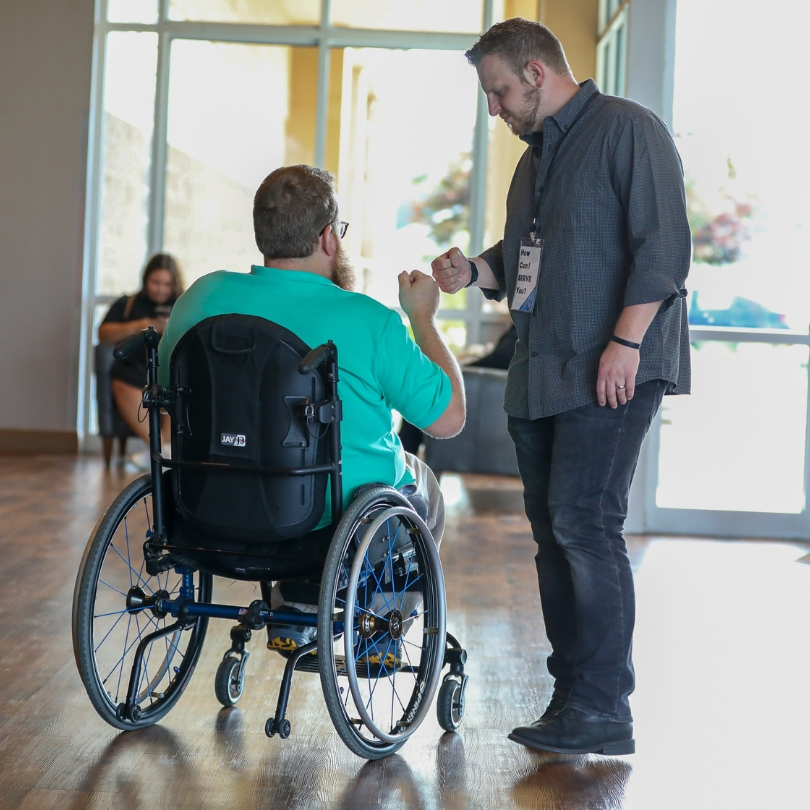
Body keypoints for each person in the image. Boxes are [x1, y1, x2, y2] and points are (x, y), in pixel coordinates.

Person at [432, 18, 691, 755]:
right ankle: (574, 696)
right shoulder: (535, 159)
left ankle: (606, 707)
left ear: (537, 74)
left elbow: (665, 248)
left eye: (500, 92)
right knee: (555, 538)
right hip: (542, 371)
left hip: (608, 368)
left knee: (585, 526)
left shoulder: (628, 130)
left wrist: (625, 343)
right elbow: (528, 255)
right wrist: (473, 272)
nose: (496, 109)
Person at [158, 164, 465, 659]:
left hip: (210, 501)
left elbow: (168, 390)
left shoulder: (201, 299)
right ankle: (379, 630)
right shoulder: (371, 321)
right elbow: (448, 419)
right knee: (422, 482)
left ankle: (300, 604)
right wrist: (422, 318)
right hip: (331, 517)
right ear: (327, 237)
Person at [98, 253, 184, 450]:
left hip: (172, 373)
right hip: (132, 372)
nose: (161, 289)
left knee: (176, 383)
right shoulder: (128, 304)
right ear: (146, 279)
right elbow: (104, 334)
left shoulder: (183, 305)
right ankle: (159, 448)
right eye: (156, 282)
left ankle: (169, 449)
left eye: (167, 284)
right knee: (121, 379)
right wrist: (144, 325)